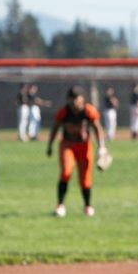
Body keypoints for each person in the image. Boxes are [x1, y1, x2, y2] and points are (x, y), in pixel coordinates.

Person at [45, 85, 106, 218]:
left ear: (82, 98)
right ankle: (60, 205)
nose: (74, 101)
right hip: (68, 145)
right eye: (71, 98)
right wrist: (49, 145)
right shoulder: (64, 112)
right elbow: (55, 128)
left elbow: (97, 128)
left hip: (84, 146)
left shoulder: (89, 111)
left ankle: (88, 206)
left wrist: (102, 147)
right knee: (66, 172)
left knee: (85, 178)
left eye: (76, 98)